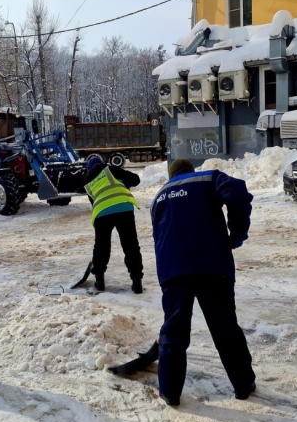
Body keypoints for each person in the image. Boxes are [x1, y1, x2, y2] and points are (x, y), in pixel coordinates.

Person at [150, 158, 255, 406]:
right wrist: (237, 232)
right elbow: (238, 192)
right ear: (190, 170)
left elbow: (159, 236)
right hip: (211, 265)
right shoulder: (207, 178)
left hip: (173, 270)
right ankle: (243, 385)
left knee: (173, 332)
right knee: (225, 328)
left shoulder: (158, 197)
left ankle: (169, 391)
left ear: (170, 174)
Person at [83, 155, 144, 293]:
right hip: (123, 208)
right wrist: (123, 182)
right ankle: (137, 282)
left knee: (102, 245)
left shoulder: (87, 181)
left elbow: (94, 202)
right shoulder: (111, 169)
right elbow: (136, 179)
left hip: (102, 212)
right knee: (130, 245)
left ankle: (99, 281)